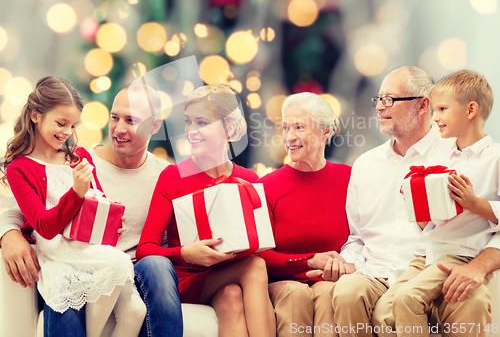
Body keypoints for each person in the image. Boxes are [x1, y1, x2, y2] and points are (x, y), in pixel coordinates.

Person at [327, 66, 500, 337]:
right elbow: (357, 237)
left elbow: (477, 218)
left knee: (472, 302)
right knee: (351, 293)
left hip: (445, 262)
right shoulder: (365, 164)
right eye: (378, 99)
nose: (380, 108)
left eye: (389, 99)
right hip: (382, 270)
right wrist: (346, 262)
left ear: (422, 105)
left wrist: (478, 267)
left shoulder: (454, 153)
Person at [0, 82, 183, 337]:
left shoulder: (167, 175)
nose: (119, 129)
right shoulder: (83, 159)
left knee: (147, 283)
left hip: (126, 266)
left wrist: (112, 218)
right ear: (35, 116)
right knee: (70, 292)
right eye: (114, 117)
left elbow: (99, 202)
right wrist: (7, 233)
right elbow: (28, 214)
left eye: (131, 120)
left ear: (154, 125)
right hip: (69, 255)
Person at [137, 84, 276, 337]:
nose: (190, 131)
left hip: (226, 278)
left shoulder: (249, 179)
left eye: (202, 122)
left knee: (232, 296)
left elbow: (263, 247)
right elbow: (145, 249)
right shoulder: (173, 176)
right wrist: (186, 254)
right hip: (185, 279)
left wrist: (307, 261)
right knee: (254, 268)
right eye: (188, 122)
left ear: (229, 128)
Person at [257, 92, 351, 337]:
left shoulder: (349, 178)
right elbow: (259, 257)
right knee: (295, 294)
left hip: (332, 280)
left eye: (299, 127)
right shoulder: (266, 186)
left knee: (327, 292)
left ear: (325, 132)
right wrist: (309, 262)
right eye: (286, 127)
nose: (290, 137)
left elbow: (366, 238)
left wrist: (344, 267)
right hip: (285, 284)